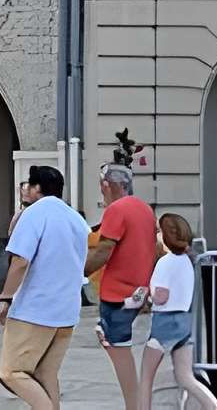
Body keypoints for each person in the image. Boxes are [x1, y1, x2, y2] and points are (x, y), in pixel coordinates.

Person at [0, 163, 89, 410]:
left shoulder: (35, 214)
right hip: (67, 309)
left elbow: (20, 261)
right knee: (46, 374)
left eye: (28, 184)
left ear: (37, 188)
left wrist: (6, 296)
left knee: (11, 372)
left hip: (35, 309)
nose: (25, 188)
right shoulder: (76, 219)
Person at [84, 167, 158, 410]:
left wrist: (78, 271)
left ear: (107, 185)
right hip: (138, 290)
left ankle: (134, 406)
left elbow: (104, 250)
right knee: (115, 343)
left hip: (117, 293)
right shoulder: (145, 209)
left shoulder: (115, 210)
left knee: (118, 349)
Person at [138, 216, 217, 410]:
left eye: (158, 232)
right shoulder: (187, 262)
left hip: (164, 323)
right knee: (185, 377)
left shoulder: (165, 263)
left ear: (165, 237)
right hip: (183, 323)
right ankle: (212, 405)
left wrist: (148, 295)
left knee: (146, 378)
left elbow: (161, 296)